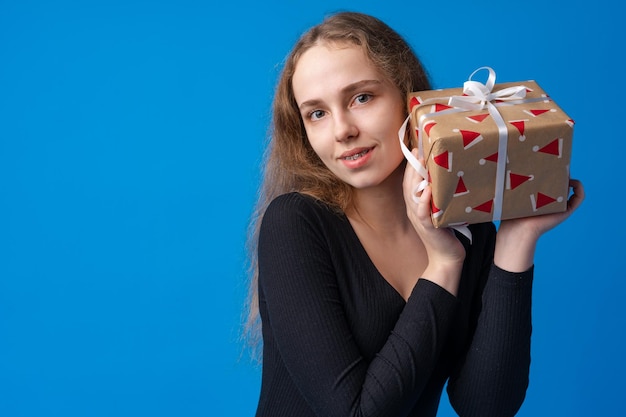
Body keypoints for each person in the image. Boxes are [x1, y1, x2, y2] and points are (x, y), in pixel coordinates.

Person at [243, 11, 584, 417]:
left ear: (411, 99)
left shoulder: (467, 225)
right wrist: (442, 264)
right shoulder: (295, 225)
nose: (342, 130)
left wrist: (515, 240)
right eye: (317, 113)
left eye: (361, 98)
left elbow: (486, 406)